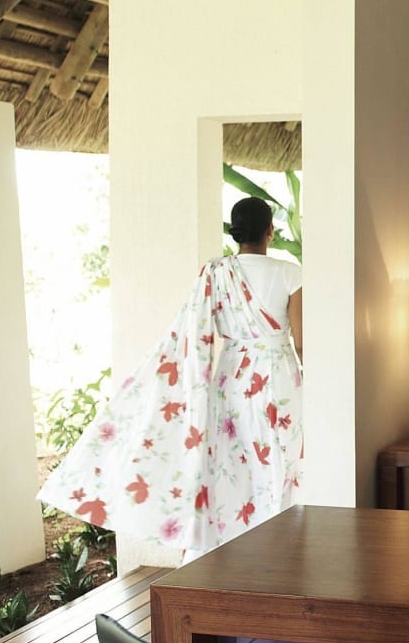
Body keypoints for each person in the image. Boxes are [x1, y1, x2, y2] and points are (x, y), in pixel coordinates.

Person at [37, 197, 304, 560]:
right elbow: (301, 340)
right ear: (270, 230)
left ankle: (233, 553)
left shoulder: (215, 273)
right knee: (279, 456)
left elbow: (197, 331)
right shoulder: (290, 273)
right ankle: (283, 550)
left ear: (236, 231)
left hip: (230, 378)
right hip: (276, 377)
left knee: (232, 461)